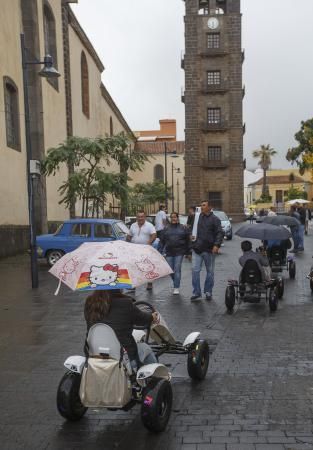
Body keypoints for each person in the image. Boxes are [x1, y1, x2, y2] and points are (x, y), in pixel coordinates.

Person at [84, 290, 158, 368]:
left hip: (94, 354)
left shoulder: (89, 302)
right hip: (123, 358)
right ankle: (153, 376)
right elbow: (142, 320)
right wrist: (152, 316)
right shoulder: (125, 303)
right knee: (145, 347)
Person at [190, 200, 224, 301]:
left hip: (209, 249)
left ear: (209, 207)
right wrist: (190, 236)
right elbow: (190, 229)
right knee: (195, 271)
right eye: (201, 205)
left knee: (210, 272)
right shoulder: (197, 217)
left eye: (204, 205)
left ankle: (208, 291)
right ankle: (196, 292)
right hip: (197, 249)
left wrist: (216, 245)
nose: (201, 207)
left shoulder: (215, 219)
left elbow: (219, 233)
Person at [160, 212, 190, 295]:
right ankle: (176, 281)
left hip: (179, 252)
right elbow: (162, 241)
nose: (173, 218)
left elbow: (188, 241)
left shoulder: (183, 228)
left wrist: (188, 252)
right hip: (169, 252)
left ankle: (176, 287)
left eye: (175, 217)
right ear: (170, 218)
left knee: (177, 269)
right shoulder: (166, 228)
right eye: (172, 217)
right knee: (170, 271)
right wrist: (160, 251)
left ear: (178, 218)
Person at [127, 210, 157, 290]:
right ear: (136, 217)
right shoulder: (133, 225)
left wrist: (149, 243)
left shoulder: (149, 225)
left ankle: (149, 283)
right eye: (138, 217)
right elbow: (129, 236)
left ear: (145, 217)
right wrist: (126, 244)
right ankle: (134, 285)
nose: (140, 218)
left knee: (148, 266)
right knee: (134, 266)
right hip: (134, 249)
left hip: (145, 249)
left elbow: (154, 235)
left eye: (142, 216)